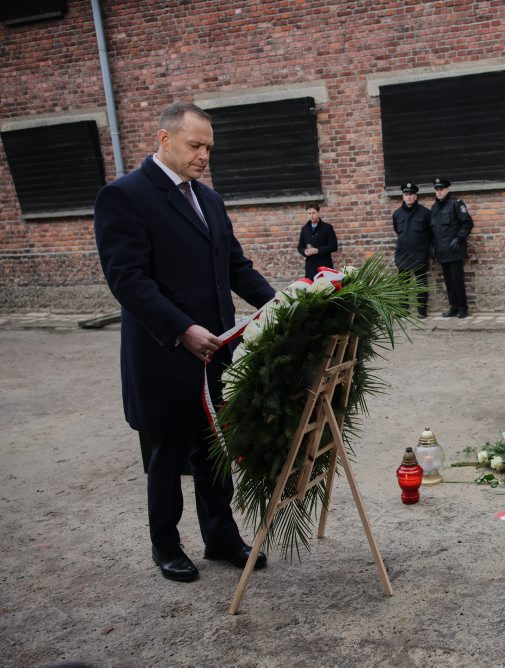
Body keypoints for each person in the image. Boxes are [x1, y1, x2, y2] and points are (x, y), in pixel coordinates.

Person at [93, 102, 276, 583]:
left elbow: (234, 266)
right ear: (164, 139)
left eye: (209, 147)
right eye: (195, 145)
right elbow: (128, 279)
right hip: (165, 355)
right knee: (166, 457)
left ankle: (220, 537)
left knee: (215, 452)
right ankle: (166, 546)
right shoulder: (125, 196)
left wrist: (282, 302)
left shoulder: (209, 200)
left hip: (216, 353)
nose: (204, 156)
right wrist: (181, 328)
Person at [429, 177, 473, 318]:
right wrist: (433, 247)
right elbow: (433, 230)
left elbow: (467, 223)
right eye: (437, 189)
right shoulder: (434, 208)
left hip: (454, 250)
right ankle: (453, 307)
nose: (439, 191)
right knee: (448, 282)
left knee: (457, 281)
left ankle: (462, 308)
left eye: (441, 189)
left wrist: (459, 238)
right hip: (442, 251)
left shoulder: (456, 204)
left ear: (447, 189)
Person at [391, 182, 433, 318]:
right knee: (403, 284)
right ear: (403, 196)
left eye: (411, 194)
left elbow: (430, 233)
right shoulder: (397, 214)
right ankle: (403, 309)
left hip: (420, 253)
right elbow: (398, 231)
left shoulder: (425, 213)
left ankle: (422, 311)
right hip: (403, 254)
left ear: (416, 196)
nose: (408, 197)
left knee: (421, 283)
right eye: (406, 194)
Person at [297, 203, 338, 277]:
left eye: (313, 213)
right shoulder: (305, 229)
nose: (311, 215)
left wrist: (317, 250)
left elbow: (334, 246)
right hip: (310, 267)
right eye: (309, 213)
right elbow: (300, 247)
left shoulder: (327, 227)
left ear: (318, 213)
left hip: (324, 266)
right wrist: (305, 251)